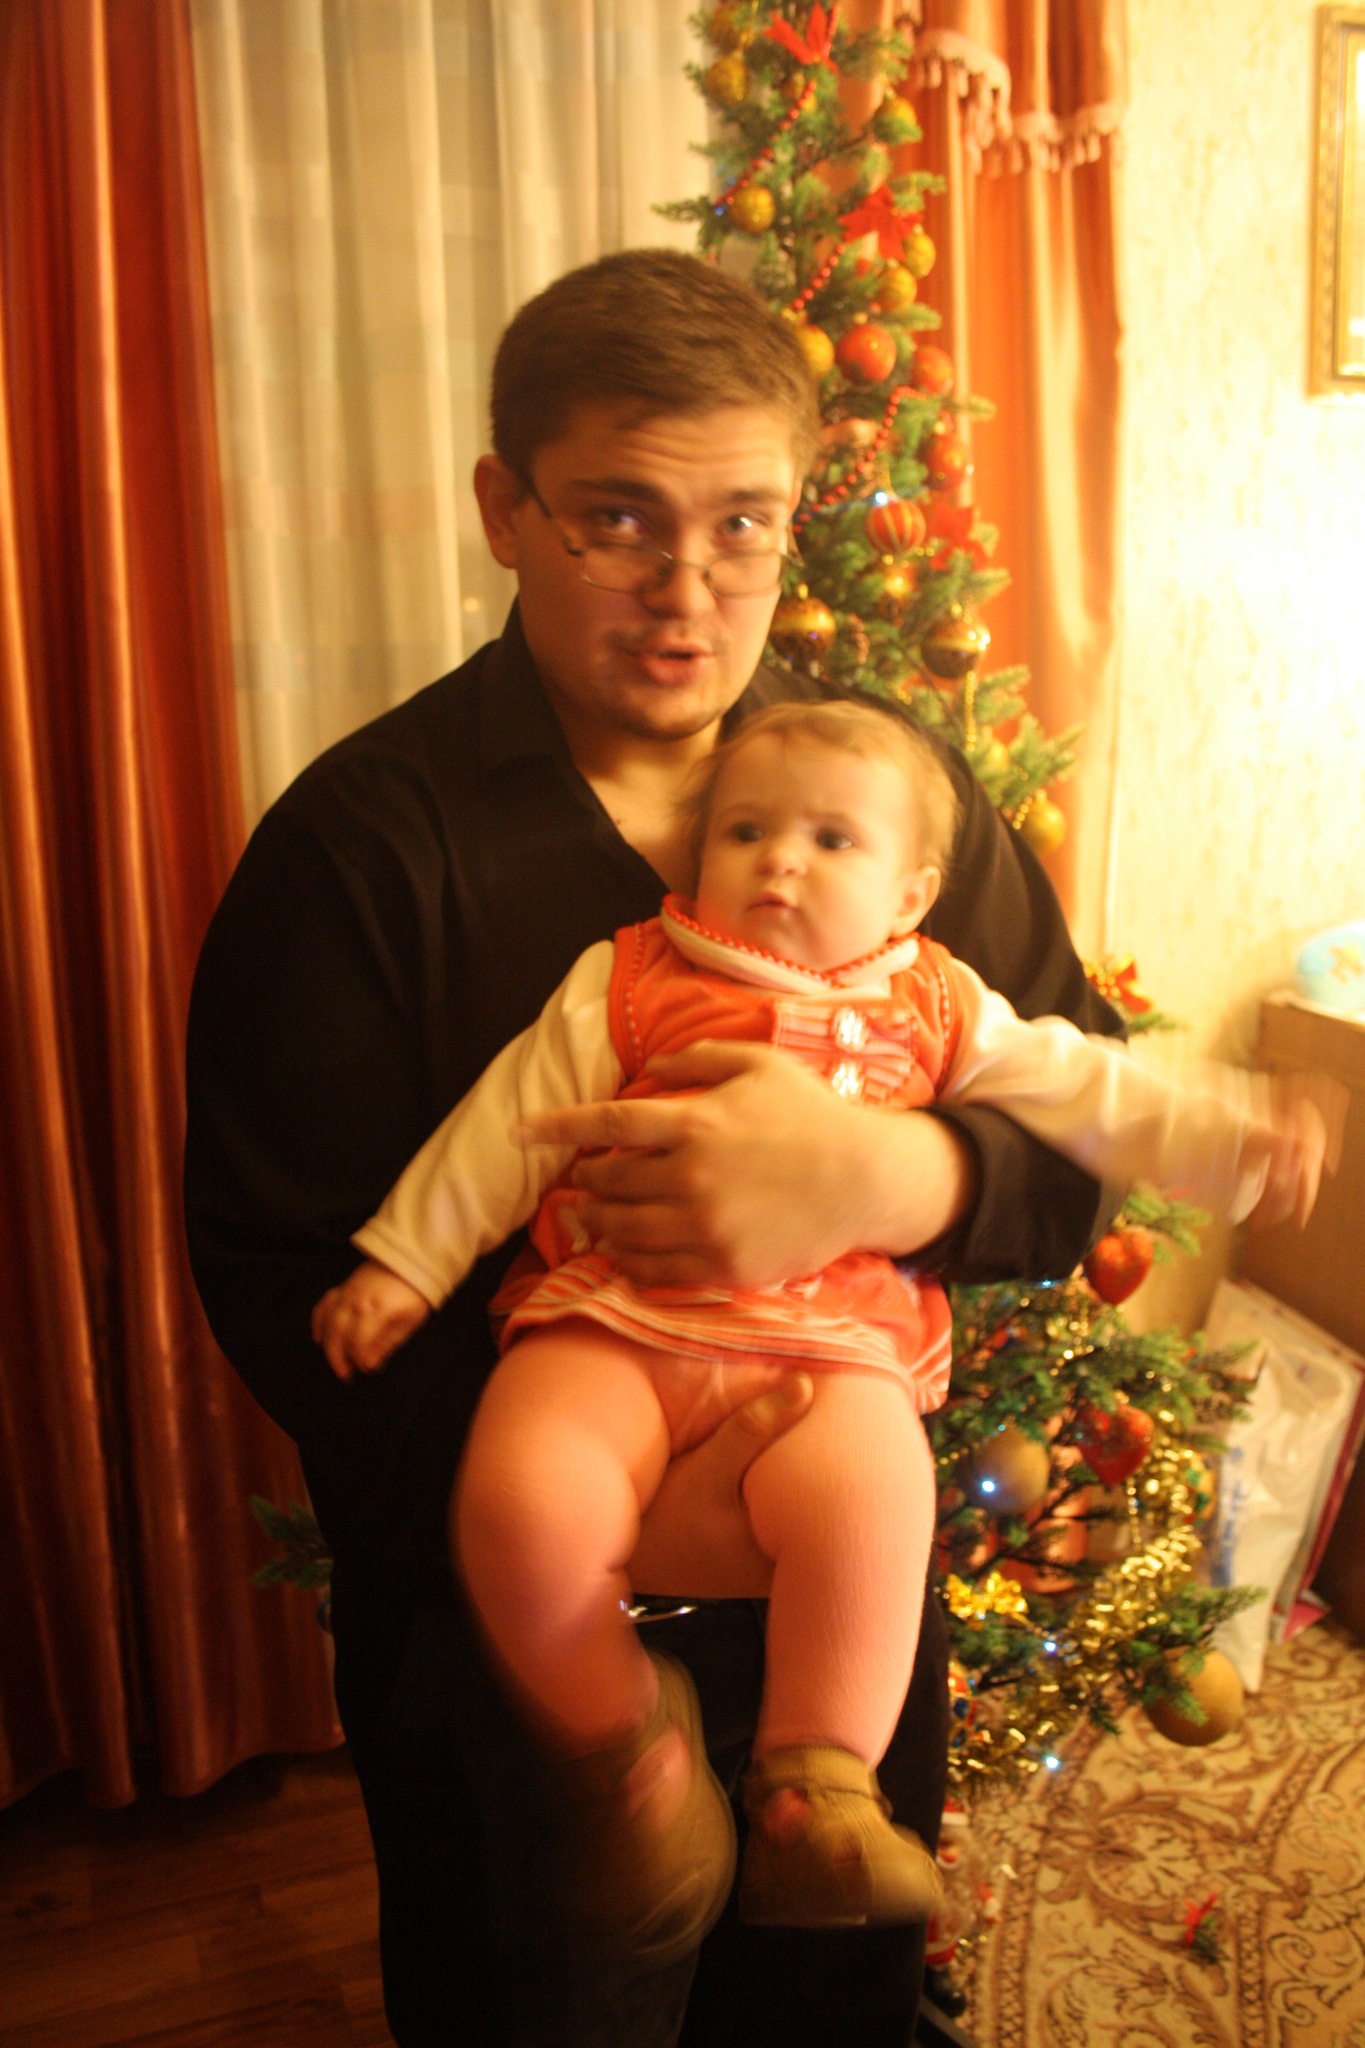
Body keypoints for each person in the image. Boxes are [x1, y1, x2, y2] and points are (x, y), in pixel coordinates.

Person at [185, 248, 1140, 2048]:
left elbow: (1081, 1137)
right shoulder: (355, 852)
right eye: (617, 519)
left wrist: (906, 1177)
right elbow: (283, 1283)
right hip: (508, 1657)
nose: (688, 595)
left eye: (743, 527)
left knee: (829, 2006)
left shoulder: (891, 799)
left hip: (839, 1630)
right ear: (506, 508)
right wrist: (645, 1512)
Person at [309, 696, 1324, 1969]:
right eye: (746, 831)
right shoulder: (632, 976)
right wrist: (406, 1258)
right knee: (520, 1498)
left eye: (832, 840)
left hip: (830, 1349)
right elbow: (508, 1124)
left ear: (913, 892)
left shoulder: (940, 1003)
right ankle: (626, 1752)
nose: (780, 859)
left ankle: (819, 1787)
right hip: (615, 1318)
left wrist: (1235, 1135)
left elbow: (1094, 1090)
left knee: (876, 1501)